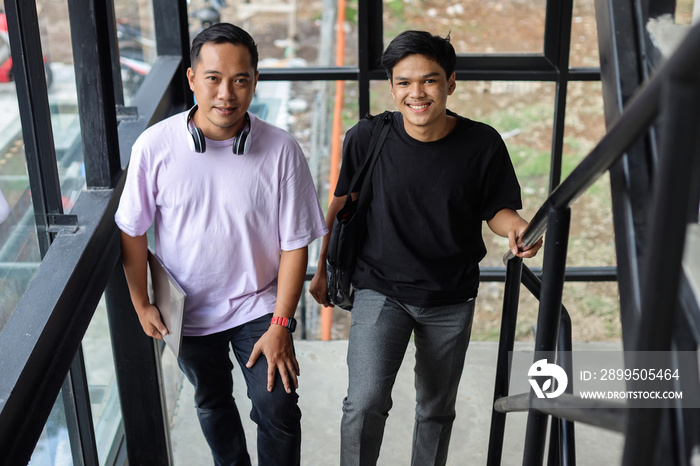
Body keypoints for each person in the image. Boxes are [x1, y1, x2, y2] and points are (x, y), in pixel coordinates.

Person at [309, 30, 543, 465]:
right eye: (404, 82)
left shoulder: (482, 143)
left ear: (450, 83)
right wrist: (321, 267)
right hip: (381, 290)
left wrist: (518, 228)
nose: (416, 93)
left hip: (450, 296)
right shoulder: (367, 137)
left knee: (435, 409)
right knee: (364, 402)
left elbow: (498, 210)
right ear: (392, 86)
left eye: (430, 80)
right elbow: (341, 203)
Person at [115, 23, 327, 466]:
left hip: (258, 306)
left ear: (254, 81)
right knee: (212, 405)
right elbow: (132, 231)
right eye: (213, 78)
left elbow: (294, 247)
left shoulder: (282, 149)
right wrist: (141, 303)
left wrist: (281, 324)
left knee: (279, 408)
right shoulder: (154, 147)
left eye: (240, 79)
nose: (226, 93)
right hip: (187, 312)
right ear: (192, 78)